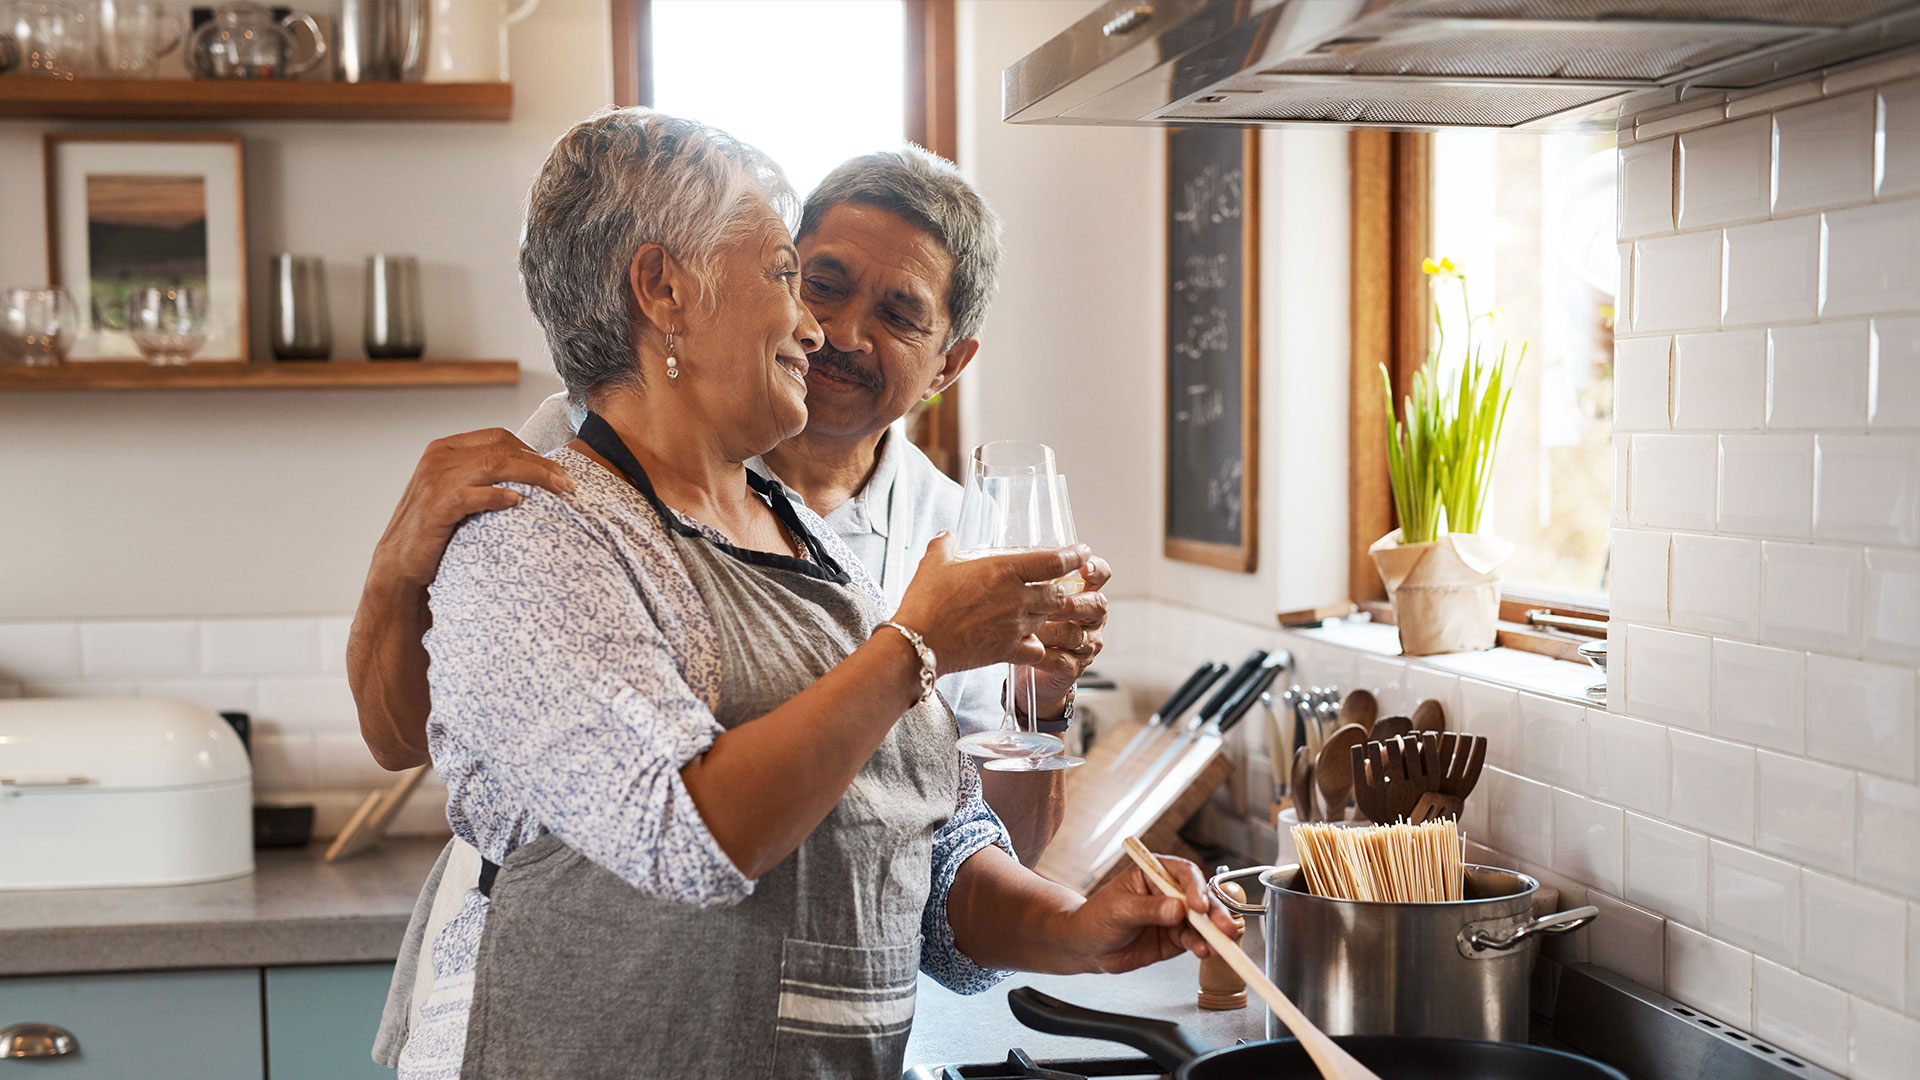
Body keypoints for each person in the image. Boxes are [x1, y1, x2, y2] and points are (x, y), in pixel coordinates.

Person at [391, 108, 1228, 1080]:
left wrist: (1075, 930)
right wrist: (916, 647)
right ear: (665, 290)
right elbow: (682, 833)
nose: (817, 327)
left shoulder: (808, 538)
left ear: (951, 361)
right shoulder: (543, 521)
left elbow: (936, 843)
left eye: (893, 310)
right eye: (793, 277)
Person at [350, 149, 1105, 863]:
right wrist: (396, 567)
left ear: (949, 363)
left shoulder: (963, 541)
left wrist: (1041, 703)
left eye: (899, 315)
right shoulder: (583, 443)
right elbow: (398, 741)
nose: (838, 333)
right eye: (821, 283)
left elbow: (990, 854)